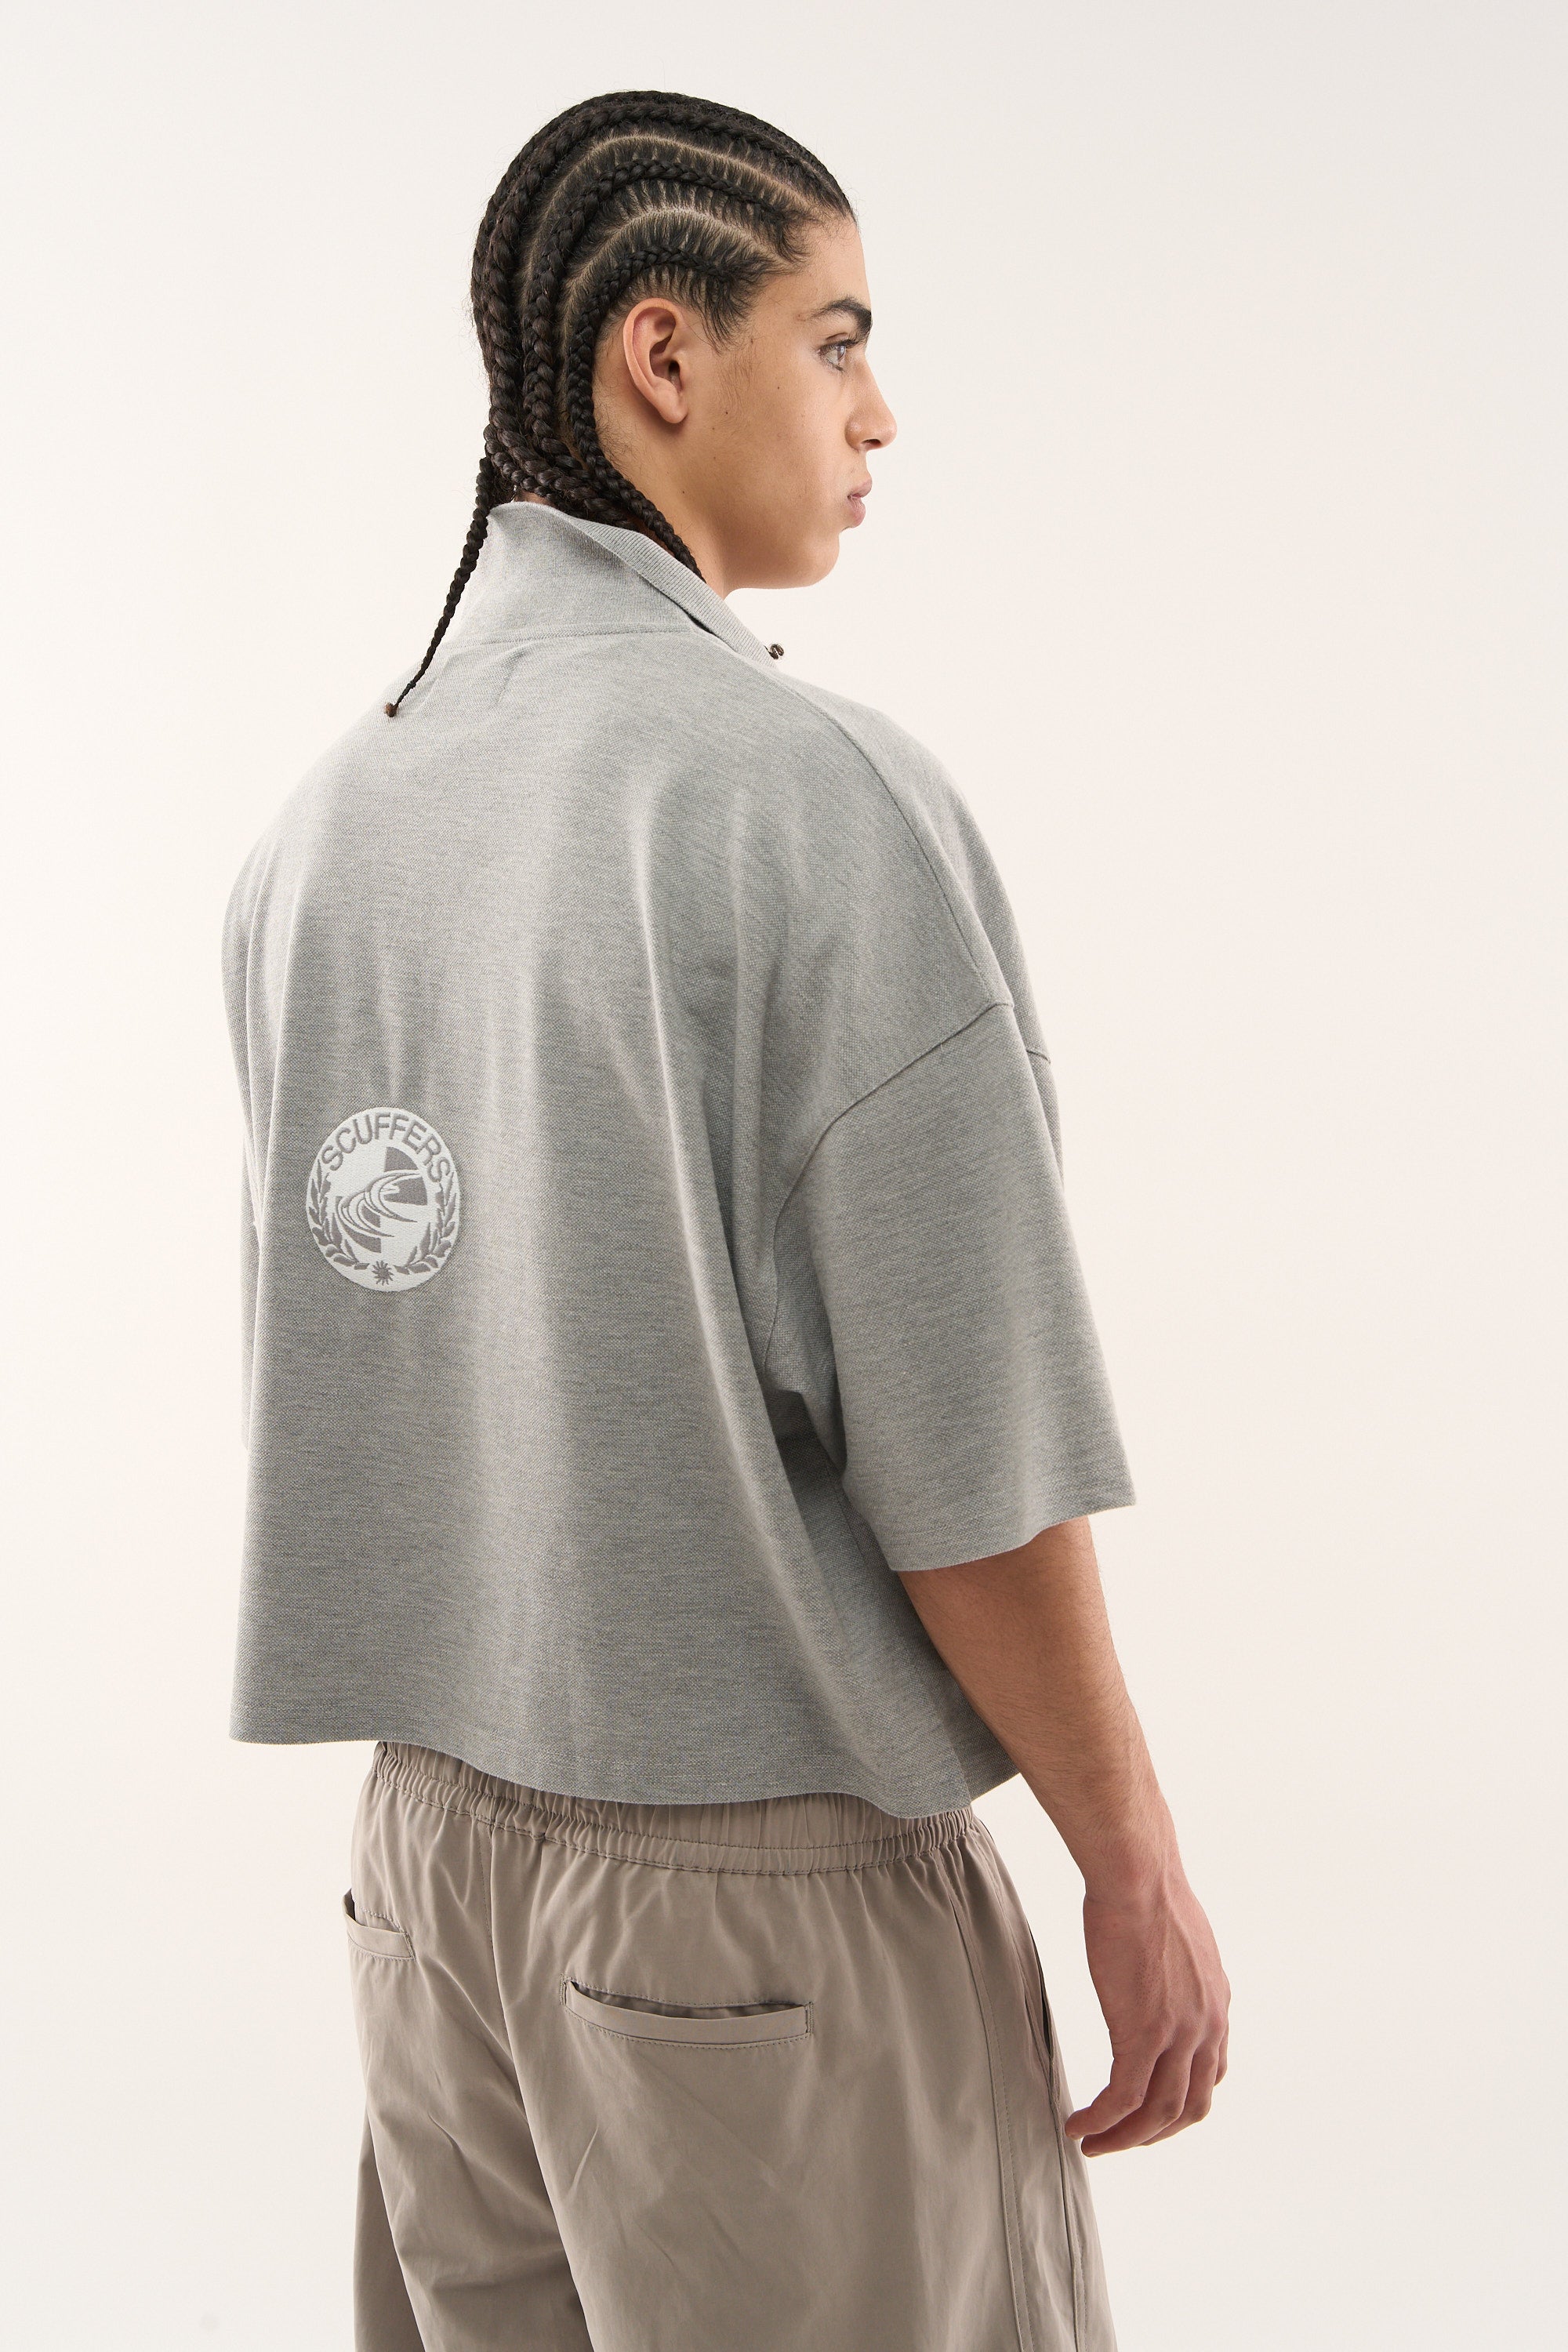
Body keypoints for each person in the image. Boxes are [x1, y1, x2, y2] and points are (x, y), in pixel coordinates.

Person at [223, 89, 1229, 2352]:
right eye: (837, 338)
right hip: (755, 1923)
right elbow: (966, 1448)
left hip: (429, 1892)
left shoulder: (325, 831)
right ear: (663, 357)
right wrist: (1131, 1859)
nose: (881, 413)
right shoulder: (810, 803)